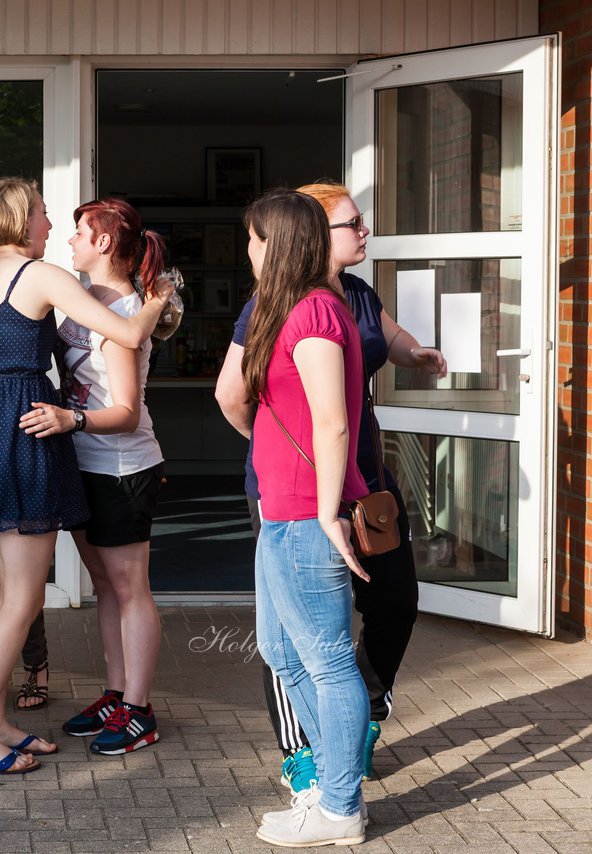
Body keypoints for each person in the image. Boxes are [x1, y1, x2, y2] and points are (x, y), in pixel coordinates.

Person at [0, 177, 167, 775]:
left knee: (13, 590)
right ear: (18, 219)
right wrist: (165, 294)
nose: (50, 224)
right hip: (25, 432)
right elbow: (131, 332)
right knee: (21, 597)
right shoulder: (37, 275)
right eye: (41, 211)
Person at [215, 180, 445, 793]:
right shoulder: (273, 303)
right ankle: (305, 753)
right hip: (297, 489)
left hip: (363, 480)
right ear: (312, 233)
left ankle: (355, 719)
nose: (364, 232)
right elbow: (232, 396)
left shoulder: (356, 297)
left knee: (394, 600)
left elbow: (389, 345)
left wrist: (418, 356)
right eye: (352, 224)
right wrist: (281, 447)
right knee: (295, 633)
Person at [234, 189, 370, 847]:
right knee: (282, 652)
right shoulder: (292, 309)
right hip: (281, 511)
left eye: (255, 240)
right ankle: (322, 791)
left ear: (280, 243)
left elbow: (334, 420)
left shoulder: (314, 312)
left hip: (304, 516)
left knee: (327, 662)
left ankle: (341, 808)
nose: (249, 251)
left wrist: (326, 512)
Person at [24, 198, 170, 754]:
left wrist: (70, 418)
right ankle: (116, 694)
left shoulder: (128, 310)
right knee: (105, 587)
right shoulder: (84, 301)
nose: (70, 240)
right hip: (83, 462)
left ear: (105, 242)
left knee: (131, 589)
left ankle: (138, 709)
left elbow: (128, 411)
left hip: (123, 466)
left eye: (81, 232)